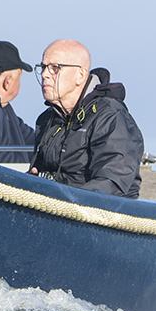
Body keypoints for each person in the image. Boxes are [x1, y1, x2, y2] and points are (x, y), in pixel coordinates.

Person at [29, 39, 143, 197]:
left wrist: (63, 199)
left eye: (55, 68)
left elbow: (112, 182)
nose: (44, 74)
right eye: (43, 67)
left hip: (98, 215)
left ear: (80, 75)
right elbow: (37, 171)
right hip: (52, 210)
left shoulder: (110, 116)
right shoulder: (46, 119)